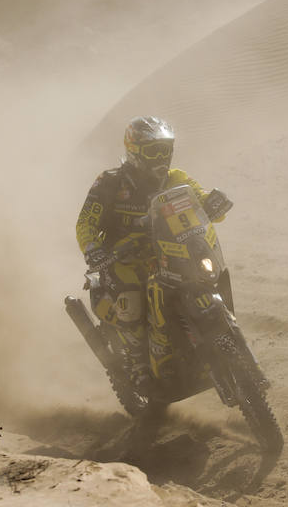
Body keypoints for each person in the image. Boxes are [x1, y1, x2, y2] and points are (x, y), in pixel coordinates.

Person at [76, 116, 227, 393]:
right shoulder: (110, 183)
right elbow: (86, 222)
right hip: (122, 258)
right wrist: (92, 248)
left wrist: (212, 203)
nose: (161, 158)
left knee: (202, 275)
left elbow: (199, 196)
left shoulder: (175, 179)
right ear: (133, 151)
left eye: (165, 150)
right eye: (153, 151)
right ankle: (137, 363)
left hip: (170, 250)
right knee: (132, 298)